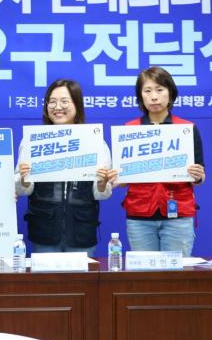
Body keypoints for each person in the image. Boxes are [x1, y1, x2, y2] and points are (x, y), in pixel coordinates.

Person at [112, 66, 205, 256]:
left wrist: (198, 175)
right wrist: (116, 178)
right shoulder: (129, 130)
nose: (154, 97)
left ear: (170, 93)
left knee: (176, 271)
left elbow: (199, 177)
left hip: (178, 213)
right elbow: (121, 180)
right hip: (140, 215)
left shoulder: (186, 128)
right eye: (147, 91)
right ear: (140, 96)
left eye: (160, 90)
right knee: (144, 271)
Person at [16, 79, 112, 257]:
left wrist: (102, 184)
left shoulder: (95, 141)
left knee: (82, 276)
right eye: (52, 102)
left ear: (77, 105)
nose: (57, 107)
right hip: (44, 230)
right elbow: (22, 191)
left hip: (81, 230)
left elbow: (102, 194)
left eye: (64, 101)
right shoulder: (32, 141)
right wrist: (23, 179)